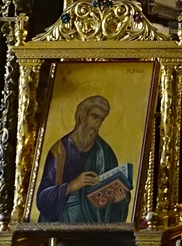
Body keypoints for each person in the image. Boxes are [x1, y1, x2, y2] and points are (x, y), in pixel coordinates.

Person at [35, 94, 131, 224]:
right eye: (94, 117)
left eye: (101, 120)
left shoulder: (104, 152)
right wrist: (71, 186)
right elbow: (43, 198)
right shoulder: (59, 151)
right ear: (82, 117)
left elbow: (116, 187)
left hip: (92, 225)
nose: (97, 123)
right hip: (61, 224)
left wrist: (118, 201)